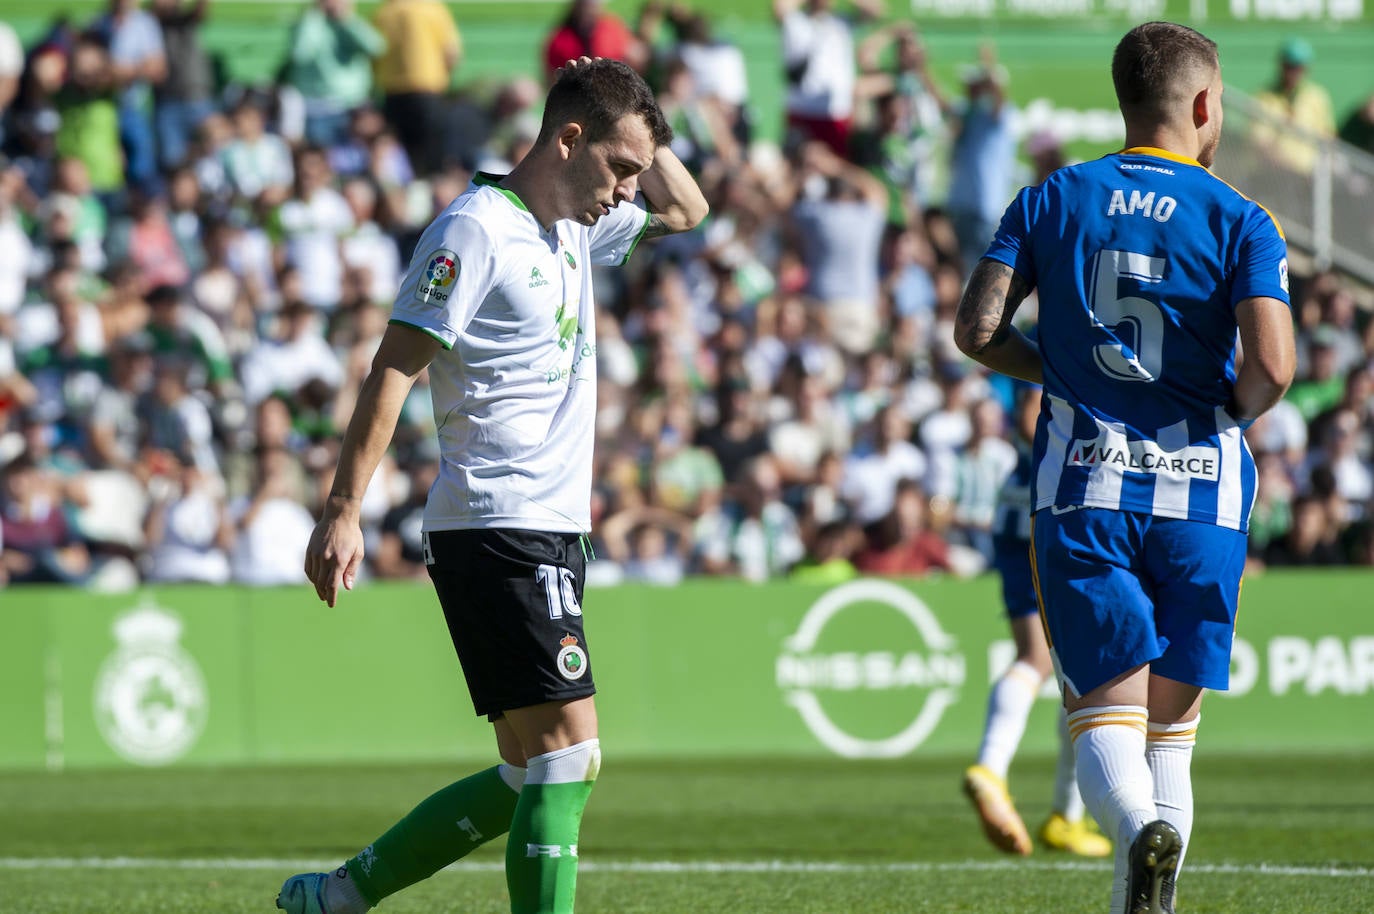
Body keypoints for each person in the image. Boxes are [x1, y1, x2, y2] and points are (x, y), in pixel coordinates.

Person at [278, 57, 707, 914]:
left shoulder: (580, 228)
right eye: (619, 167)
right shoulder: (475, 229)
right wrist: (343, 509)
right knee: (566, 760)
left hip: (542, 526)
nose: (628, 190)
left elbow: (690, 210)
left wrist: (634, 112)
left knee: (525, 773)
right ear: (567, 139)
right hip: (498, 521)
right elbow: (394, 369)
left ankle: (338, 897)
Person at [954, 21, 1295, 914]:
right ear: (1204, 104)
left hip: (1085, 491)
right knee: (1172, 736)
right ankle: (1152, 857)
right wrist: (1231, 406)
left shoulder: (1052, 198)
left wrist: (1061, 368)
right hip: (1204, 497)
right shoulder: (1242, 218)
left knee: (1104, 722)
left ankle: (1141, 827)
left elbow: (976, 330)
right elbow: (1275, 368)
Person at [962, 382, 1111, 860]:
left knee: (1070, 665)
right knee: (1063, 662)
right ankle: (998, 771)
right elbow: (1031, 413)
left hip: (1024, 503)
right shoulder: (1070, 330)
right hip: (1051, 501)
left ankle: (1063, 814)